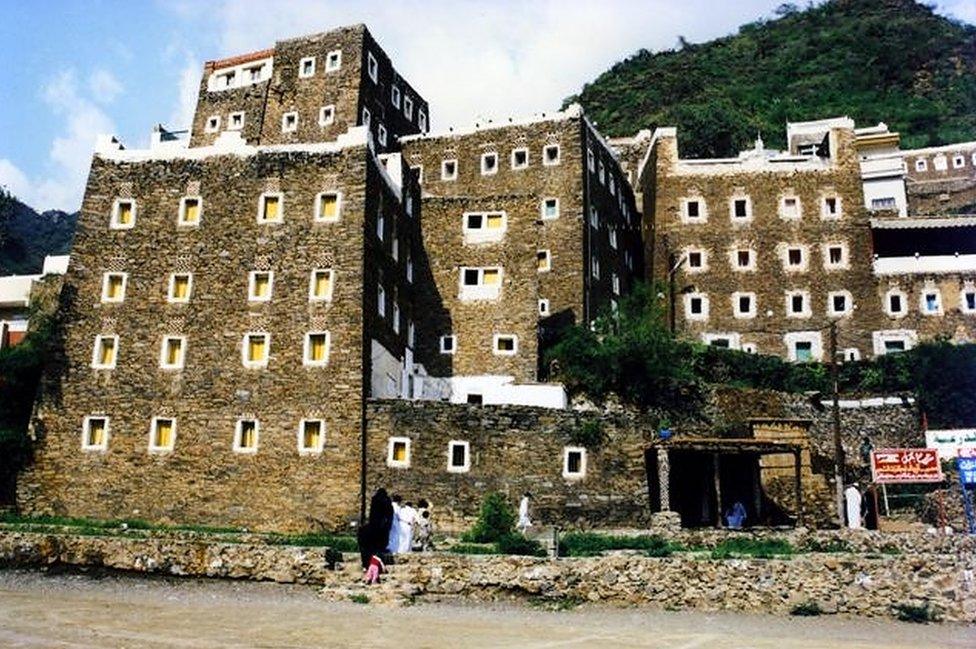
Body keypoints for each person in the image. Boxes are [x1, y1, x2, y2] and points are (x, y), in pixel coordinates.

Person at [358, 488, 393, 569]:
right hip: (382, 526)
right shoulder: (386, 501)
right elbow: (389, 513)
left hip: (374, 524)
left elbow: (372, 513)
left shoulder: (375, 500)